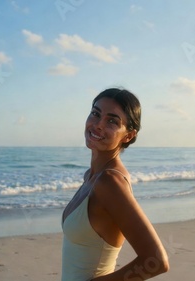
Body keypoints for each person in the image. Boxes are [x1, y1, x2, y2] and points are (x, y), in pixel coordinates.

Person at [61, 88, 169, 280]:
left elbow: (156, 261)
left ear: (128, 135)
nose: (98, 124)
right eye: (95, 113)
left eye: (112, 121)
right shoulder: (91, 176)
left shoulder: (109, 182)